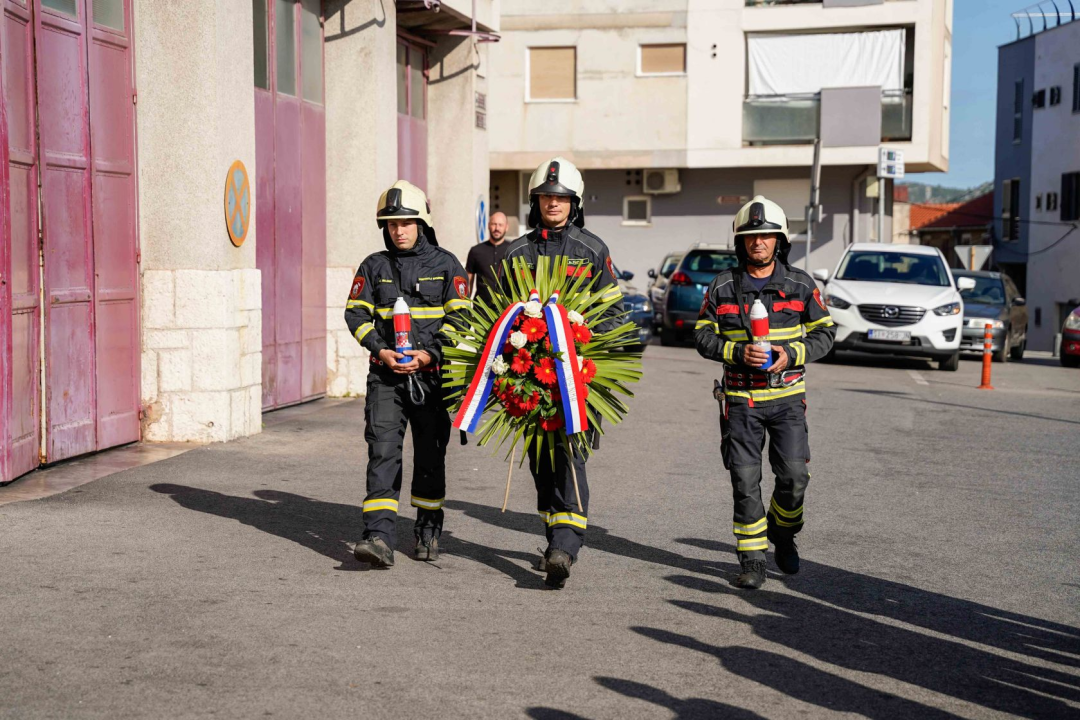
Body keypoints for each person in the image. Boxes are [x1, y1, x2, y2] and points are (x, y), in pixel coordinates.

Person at [694, 196, 836, 590]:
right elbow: (701, 335)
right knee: (744, 480)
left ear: (780, 240)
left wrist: (790, 354)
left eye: (767, 236)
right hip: (740, 402)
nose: (759, 243)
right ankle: (752, 559)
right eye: (751, 236)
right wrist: (736, 352)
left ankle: (784, 532)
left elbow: (826, 333)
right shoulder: (722, 285)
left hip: (787, 400)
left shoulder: (800, 284)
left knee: (793, 478)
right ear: (741, 242)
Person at [500, 157, 623, 588]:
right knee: (541, 463)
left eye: (562, 197)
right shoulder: (515, 252)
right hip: (527, 377)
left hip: (577, 379)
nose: (553, 203)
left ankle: (566, 547)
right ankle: (554, 538)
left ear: (576, 203)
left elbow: (612, 312)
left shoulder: (593, 250)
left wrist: (596, 359)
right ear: (535, 202)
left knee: (571, 457)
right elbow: (498, 313)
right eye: (546, 197)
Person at [343, 180, 471, 567]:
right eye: (392, 223)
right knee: (382, 453)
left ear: (422, 223)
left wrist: (429, 356)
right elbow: (355, 314)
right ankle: (379, 537)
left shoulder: (447, 264)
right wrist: (380, 350)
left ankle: (428, 529)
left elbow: (462, 317)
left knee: (431, 457)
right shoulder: (373, 265)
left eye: (406, 222)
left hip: (432, 378)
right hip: (386, 378)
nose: (398, 230)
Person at [466, 211, 510, 305]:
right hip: (481, 310)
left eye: (500, 225)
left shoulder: (512, 250)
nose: (497, 228)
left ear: (506, 227)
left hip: (507, 310)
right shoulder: (476, 251)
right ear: (488, 225)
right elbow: (468, 280)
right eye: (494, 224)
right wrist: (466, 305)